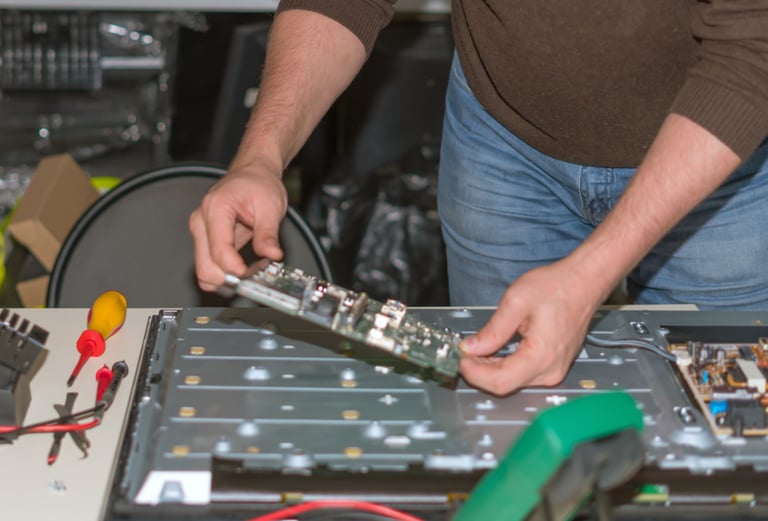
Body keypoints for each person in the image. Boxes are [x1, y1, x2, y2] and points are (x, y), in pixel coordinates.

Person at [189, 1, 768, 395]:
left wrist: (590, 276)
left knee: (725, 451)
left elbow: (752, 50)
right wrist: (260, 158)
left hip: (720, 169)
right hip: (504, 141)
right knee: (500, 413)